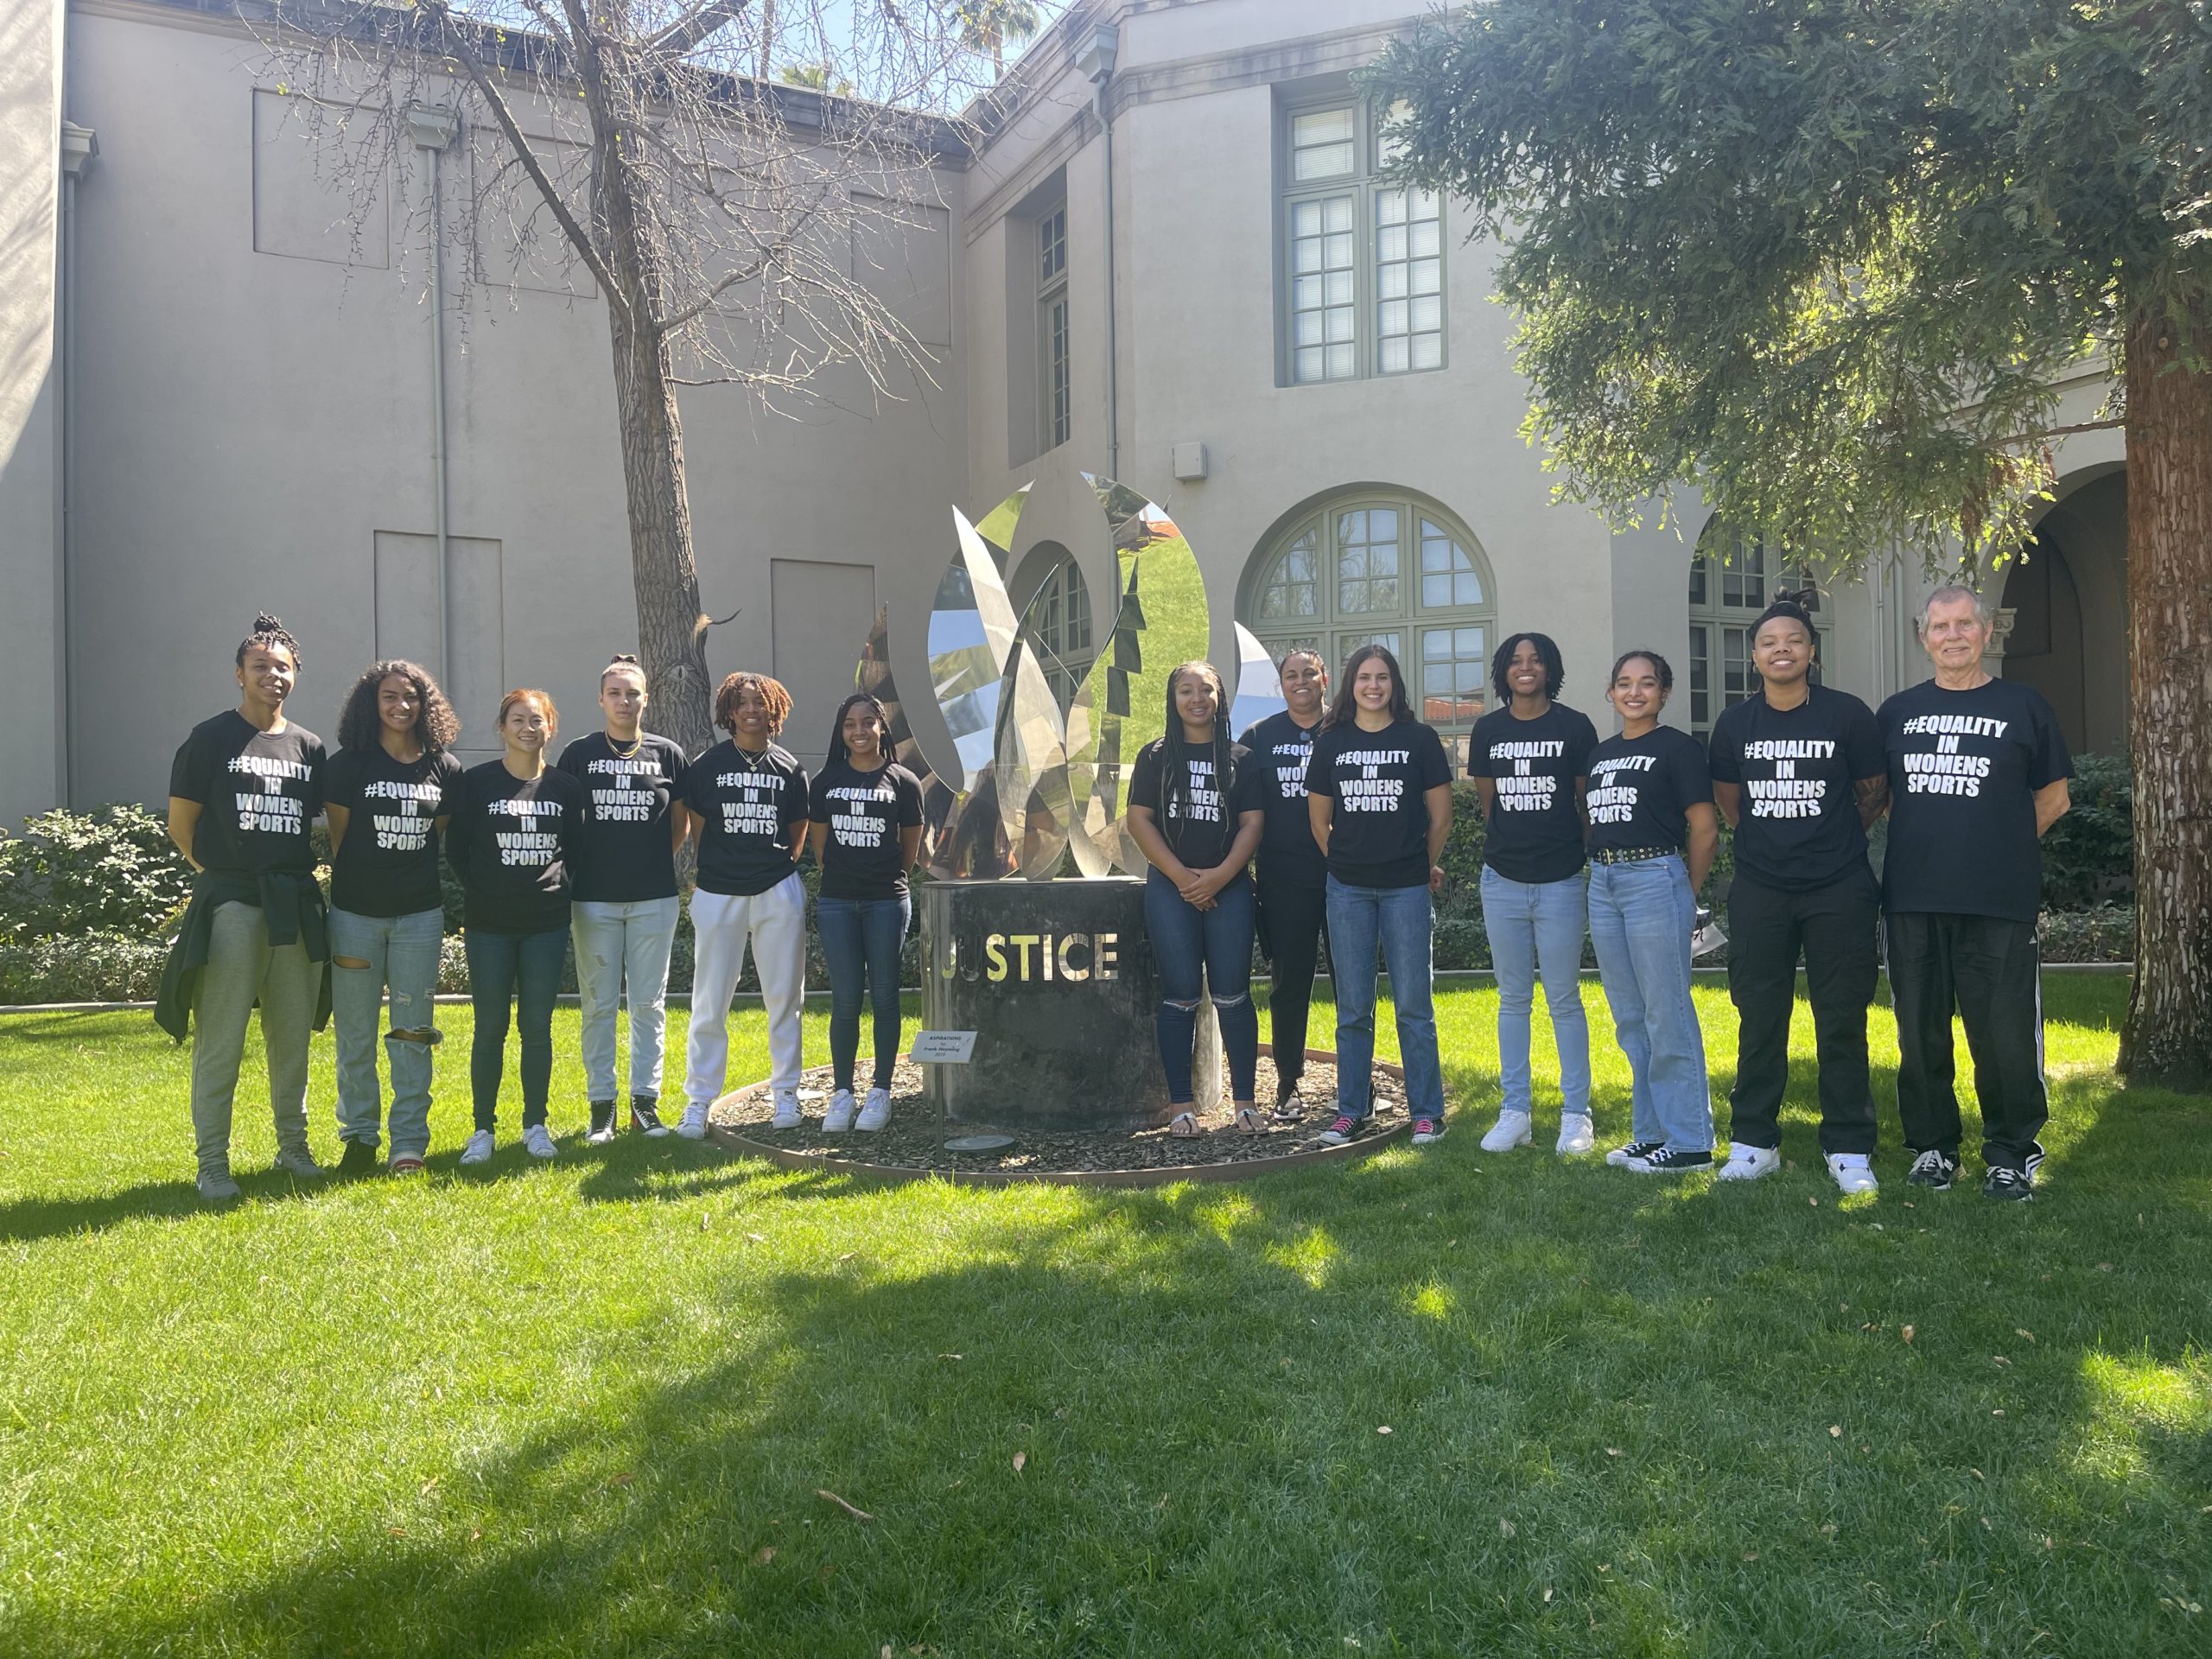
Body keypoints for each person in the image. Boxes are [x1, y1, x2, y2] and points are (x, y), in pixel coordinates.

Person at [1878, 584, 2071, 1201]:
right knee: (1920, 1031)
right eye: (1940, 626)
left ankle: (2011, 1152)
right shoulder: (1897, 712)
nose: (1953, 635)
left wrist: (1997, 844)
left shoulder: (2025, 705)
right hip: (1912, 897)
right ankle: (1933, 1148)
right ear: (1923, 637)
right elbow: (1880, 799)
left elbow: (2053, 798)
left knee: (2006, 1033)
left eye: (1965, 624)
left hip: (1998, 899)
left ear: (1986, 633)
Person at [1707, 595, 1888, 1194]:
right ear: (1754, 657)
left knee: (1841, 1017)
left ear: (1811, 652)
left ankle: (1849, 1146)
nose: (1781, 648)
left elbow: (1873, 793)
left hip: (1839, 887)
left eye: (1793, 639)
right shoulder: (1735, 724)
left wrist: (1828, 842)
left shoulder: (1848, 715)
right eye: (1769, 642)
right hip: (1761, 888)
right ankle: (1755, 1142)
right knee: (1759, 1016)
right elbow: (1731, 803)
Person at [159, 613, 331, 1202]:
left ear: (295, 677)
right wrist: (217, 877)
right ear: (239, 674)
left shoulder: (309, 746)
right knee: (222, 1037)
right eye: (261, 667)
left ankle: (294, 1147)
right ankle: (213, 1163)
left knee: (292, 1036)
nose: (272, 676)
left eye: (283, 668)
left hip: (294, 905)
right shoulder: (210, 738)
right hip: (231, 904)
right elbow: (182, 826)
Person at [1305, 645, 1454, 1147]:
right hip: (1346, 889)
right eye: (1364, 677)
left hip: (1407, 890)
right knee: (1352, 1008)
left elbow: (1441, 817)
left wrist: (1417, 861)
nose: (1374, 685)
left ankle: (1427, 1112)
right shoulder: (1331, 741)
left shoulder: (1419, 739)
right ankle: (1352, 1109)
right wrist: (1347, 860)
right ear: (1350, 685)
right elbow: (1319, 822)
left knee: (1414, 1004)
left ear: (1395, 684)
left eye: (1383, 677)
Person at [324, 659, 462, 1177]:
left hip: (419, 919)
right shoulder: (347, 766)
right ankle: (359, 1138)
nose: (401, 706)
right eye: (389, 697)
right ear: (371, 704)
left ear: (426, 704)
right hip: (355, 916)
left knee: (412, 1032)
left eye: (411, 697)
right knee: (355, 1033)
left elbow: (438, 835)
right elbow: (339, 839)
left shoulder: (444, 769)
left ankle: (408, 1143)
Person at [1584, 650, 1720, 1173]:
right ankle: (1651, 1133)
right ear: (1611, 691)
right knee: (1631, 1017)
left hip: (1655, 879)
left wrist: (1683, 888)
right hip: (1606, 881)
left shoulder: (1678, 749)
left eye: (1647, 683)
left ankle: (1690, 1141)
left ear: (1664, 693)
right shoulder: (1601, 755)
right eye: (1624, 683)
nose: (1634, 692)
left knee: (1667, 1011)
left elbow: (1704, 828)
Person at [1466, 632, 1600, 1155]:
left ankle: (1576, 1115)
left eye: (1536, 660)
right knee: (1513, 999)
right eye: (1516, 661)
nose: (1526, 668)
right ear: (1504, 671)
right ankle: (1515, 1111)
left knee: (1565, 999)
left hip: (1562, 881)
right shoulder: (1488, 729)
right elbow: (1489, 804)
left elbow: (1587, 805)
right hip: (1502, 880)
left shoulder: (1575, 726)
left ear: (1550, 669)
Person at [445, 690, 584, 1166]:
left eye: (538, 720)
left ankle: (535, 1125)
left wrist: (556, 889)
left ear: (551, 728)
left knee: (537, 1028)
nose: (529, 728)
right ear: (502, 728)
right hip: (489, 927)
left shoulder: (566, 788)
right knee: (490, 1028)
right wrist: (485, 891)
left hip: (545, 926)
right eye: (518, 720)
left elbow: (578, 852)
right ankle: (482, 1130)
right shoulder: (477, 784)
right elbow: (457, 850)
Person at [1129, 661, 1268, 1135]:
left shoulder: (1241, 758)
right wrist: (1185, 879)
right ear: (1173, 699)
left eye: (1205, 690)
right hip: (1171, 890)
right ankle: (1181, 1106)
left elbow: (1252, 823)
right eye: (1186, 690)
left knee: (1233, 995)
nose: (1196, 699)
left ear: (1219, 696)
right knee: (1181, 997)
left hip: (1229, 890)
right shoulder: (1153, 758)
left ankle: (1245, 1102)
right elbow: (1139, 820)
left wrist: (1221, 877)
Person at [557, 654, 690, 1145]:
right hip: (593, 900)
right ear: (601, 699)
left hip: (653, 898)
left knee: (649, 1003)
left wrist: (650, 861)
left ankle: (645, 1104)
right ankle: (601, 1108)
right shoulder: (578, 753)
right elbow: (567, 823)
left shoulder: (668, 754)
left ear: (645, 699)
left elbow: (680, 826)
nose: (623, 700)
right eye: (614, 692)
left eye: (632, 692)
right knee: (597, 1005)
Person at [681, 672, 810, 1138]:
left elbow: (796, 838)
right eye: (743, 703)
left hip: (777, 889)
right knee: (710, 1001)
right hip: (719, 893)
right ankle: (698, 1100)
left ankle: (786, 1093)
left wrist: (768, 871)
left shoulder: (790, 768)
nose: (752, 710)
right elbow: (698, 831)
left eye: (760, 702)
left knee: (784, 999)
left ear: (773, 709)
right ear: (729, 712)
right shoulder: (706, 766)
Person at [807, 692, 924, 1132]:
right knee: (845, 1000)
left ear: (881, 728)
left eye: (867, 723)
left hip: (886, 901)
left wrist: (889, 877)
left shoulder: (903, 781)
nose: (859, 731)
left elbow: (909, 842)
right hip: (838, 901)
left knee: (886, 996)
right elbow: (821, 847)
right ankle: (841, 1094)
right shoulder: (825, 782)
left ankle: (880, 1092)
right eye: (850, 724)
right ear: (842, 732)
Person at [1237, 647, 1331, 1122]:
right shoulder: (1259, 738)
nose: (1300, 682)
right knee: (1288, 986)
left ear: (1324, 679)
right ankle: (1289, 1084)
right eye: (1291, 675)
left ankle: (1351, 1086)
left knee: (1353, 986)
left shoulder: (1347, 730)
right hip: (1283, 880)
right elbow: (1242, 814)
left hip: (1345, 878)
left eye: (1309, 673)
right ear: (1281, 684)